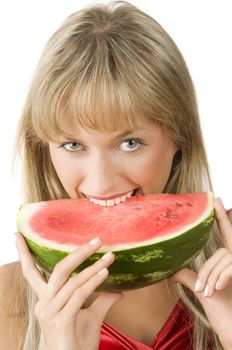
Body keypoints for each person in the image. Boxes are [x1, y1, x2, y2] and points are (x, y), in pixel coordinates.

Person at [0, 1, 232, 349]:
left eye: (130, 143)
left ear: (179, 138)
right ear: (43, 147)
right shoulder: (8, 304)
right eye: (73, 145)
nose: (100, 182)